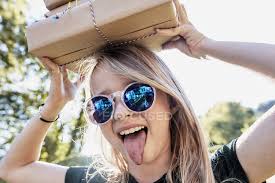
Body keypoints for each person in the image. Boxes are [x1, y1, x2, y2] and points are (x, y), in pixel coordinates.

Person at [0, 21, 275, 183]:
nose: (119, 113)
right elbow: (13, 168)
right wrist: (54, 105)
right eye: (102, 105)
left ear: (171, 102)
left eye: (137, 94)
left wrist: (205, 46)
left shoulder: (219, 173)